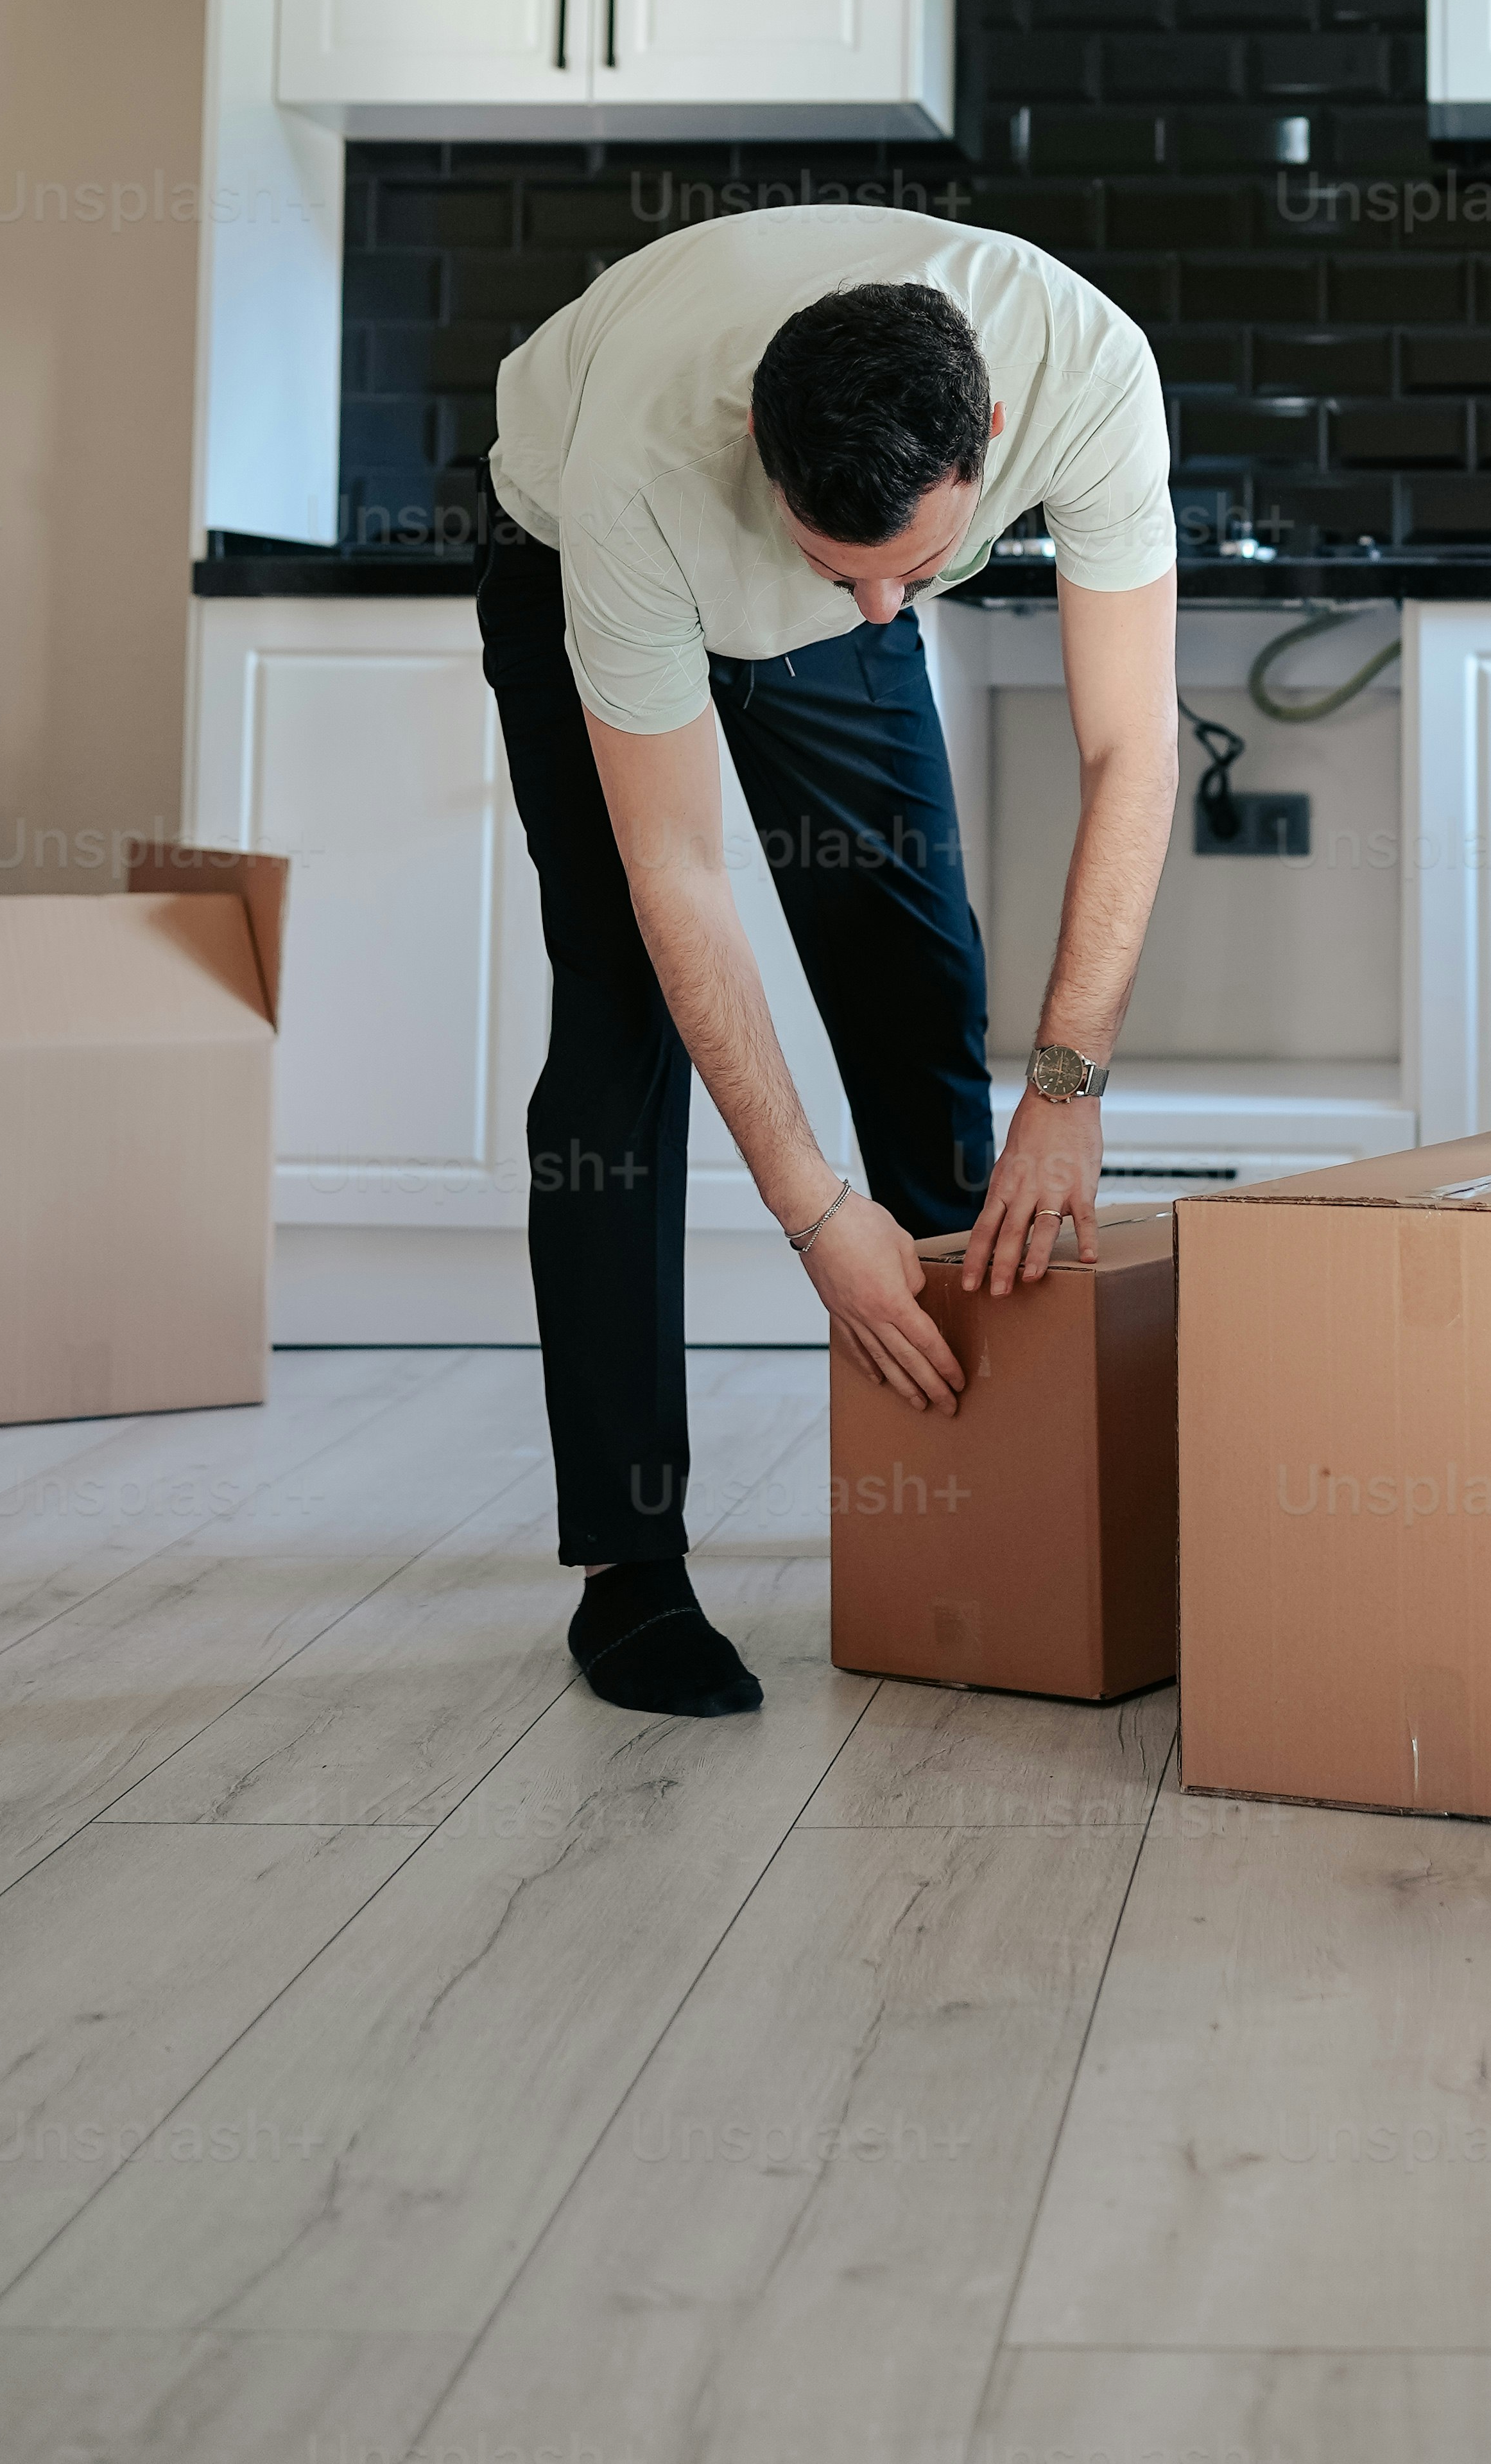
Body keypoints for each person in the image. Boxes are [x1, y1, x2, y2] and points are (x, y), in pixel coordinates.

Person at [477, 205, 1178, 1718]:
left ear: (990, 429)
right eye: (840, 563)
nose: (882, 609)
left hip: (829, 513)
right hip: (574, 558)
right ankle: (629, 1570)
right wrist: (810, 1215)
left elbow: (1130, 751)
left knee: (915, 979)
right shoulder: (645, 476)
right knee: (616, 1024)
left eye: (914, 571)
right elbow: (679, 869)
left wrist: (1067, 1086)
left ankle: (975, 1485)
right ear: (758, 443)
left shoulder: (1086, 370)